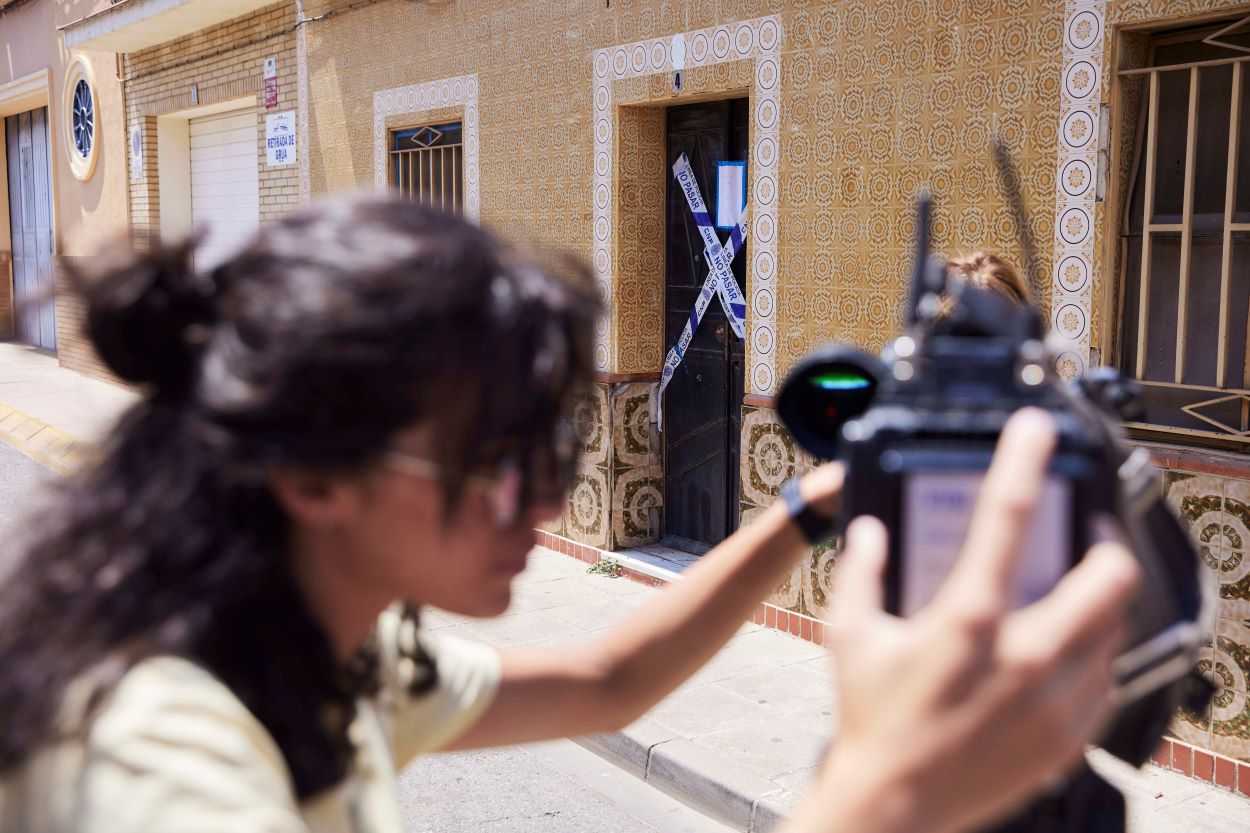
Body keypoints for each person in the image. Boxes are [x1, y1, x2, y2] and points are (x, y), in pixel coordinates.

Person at [0, 197, 1138, 833]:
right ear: (314, 475)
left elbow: (603, 681)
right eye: (501, 458)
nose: (550, 498)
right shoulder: (156, 754)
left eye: (553, 448)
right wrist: (889, 789)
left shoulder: (308, 651)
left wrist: (809, 501)